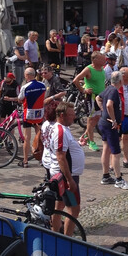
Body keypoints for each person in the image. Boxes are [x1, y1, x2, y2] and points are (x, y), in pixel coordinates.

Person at [41, 101, 85, 237]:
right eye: (71, 114)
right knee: (74, 209)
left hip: (62, 175)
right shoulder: (60, 131)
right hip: (65, 176)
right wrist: (69, 180)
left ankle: (55, 235)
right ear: (61, 115)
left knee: (59, 206)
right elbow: (61, 156)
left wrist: (77, 145)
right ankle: (67, 239)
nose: (74, 117)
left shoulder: (62, 129)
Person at [96, 71, 128, 190]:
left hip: (103, 123)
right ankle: (118, 179)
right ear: (120, 81)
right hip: (109, 125)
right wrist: (113, 119)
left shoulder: (108, 89)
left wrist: (103, 112)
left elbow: (98, 98)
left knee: (106, 149)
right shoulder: (113, 91)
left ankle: (106, 176)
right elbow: (109, 104)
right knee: (116, 153)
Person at [72, 52, 108, 152]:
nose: (104, 61)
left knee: (97, 117)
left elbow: (101, 82)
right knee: (91, 119)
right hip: (91, 97)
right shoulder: (89, 69)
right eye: (102, 59)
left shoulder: (102, 69)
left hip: (100, 97)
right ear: (95, 60)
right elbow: (76, 80)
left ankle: (85, 136)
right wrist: (84, 90)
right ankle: (91, 142)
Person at [18, 67, 48, 167]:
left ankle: (25, 161)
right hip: (39, 113)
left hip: (28, 114)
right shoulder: (43, 85)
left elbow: (20, 98)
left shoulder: (25, 87)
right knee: (39, 137)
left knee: (27, 138)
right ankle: (41, 159)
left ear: (27, 76)